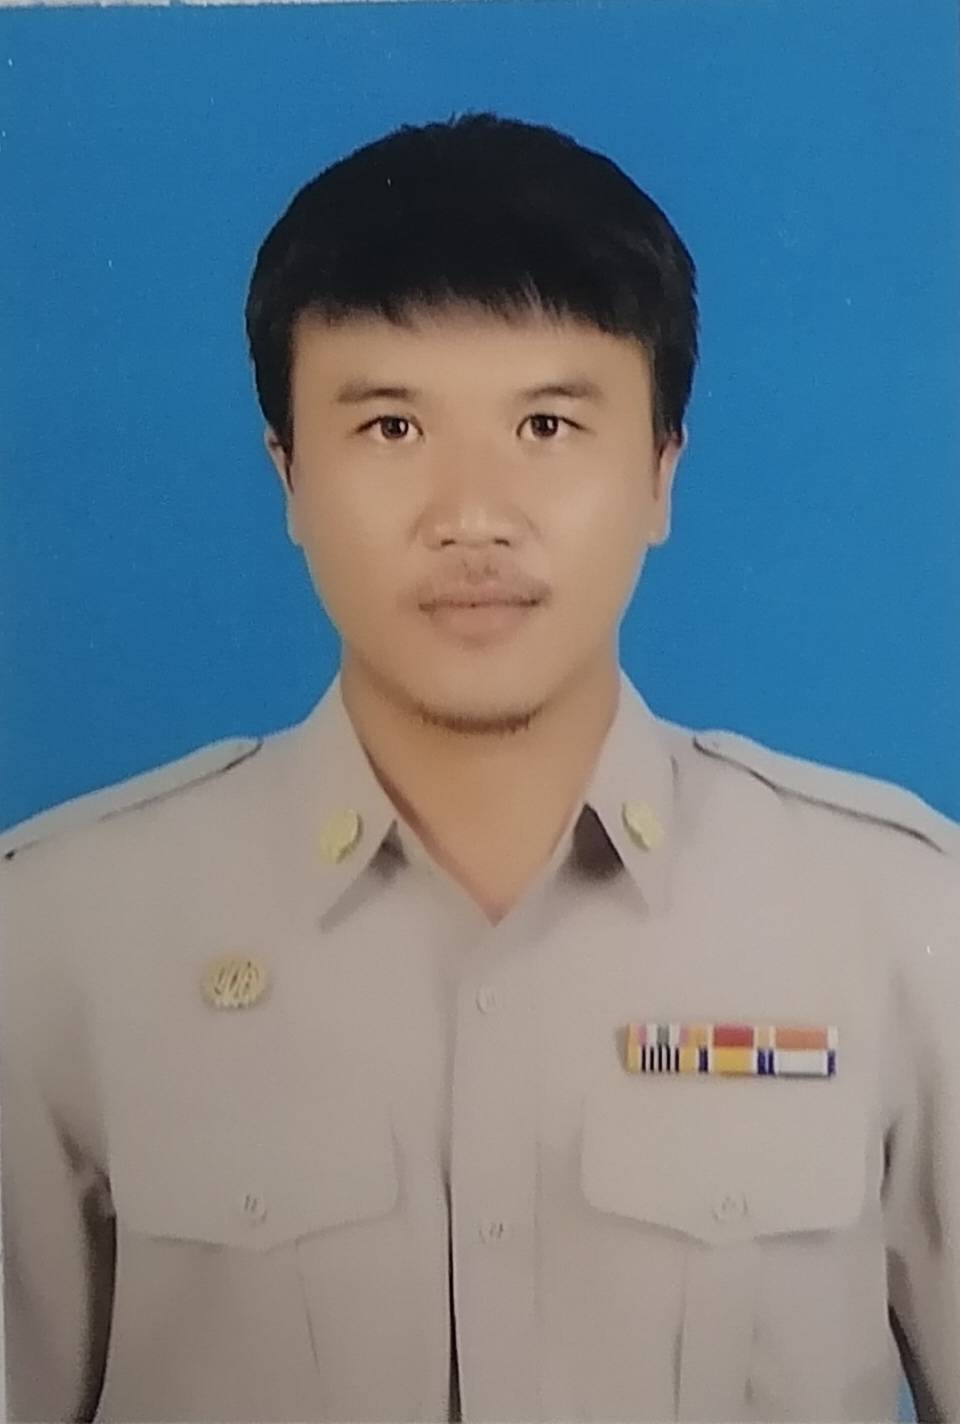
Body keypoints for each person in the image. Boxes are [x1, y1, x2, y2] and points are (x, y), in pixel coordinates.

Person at [1, 109, 958, 1424]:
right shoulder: (55, 941)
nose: (472, 517)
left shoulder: (902, 923)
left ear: (662, 471)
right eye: (392, 429)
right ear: (288, 476)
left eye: (548, 426)